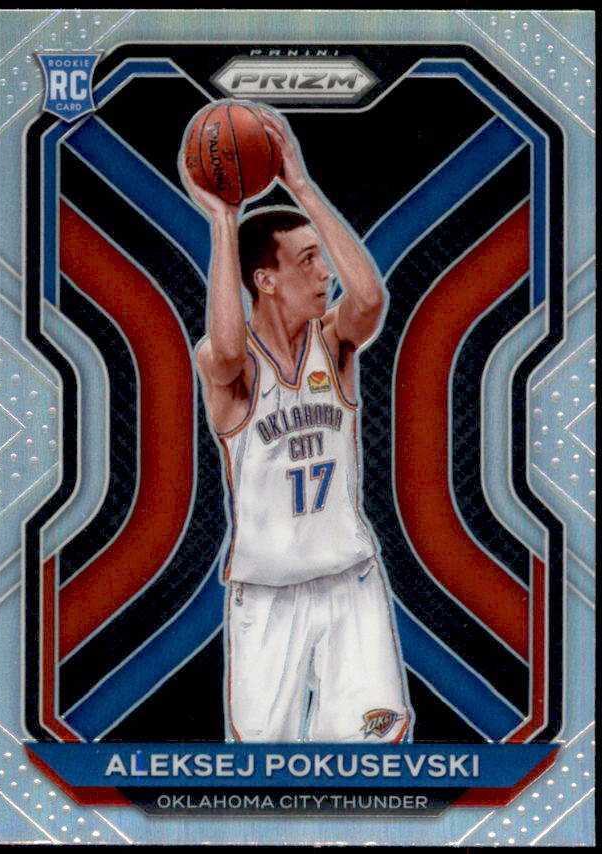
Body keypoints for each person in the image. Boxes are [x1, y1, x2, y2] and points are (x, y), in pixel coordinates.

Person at [180, 108, 412, 743]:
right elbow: (229, 346)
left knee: (370, 761)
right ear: (266, 280)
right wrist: (224, 223)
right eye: (308, 261)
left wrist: (302, 187)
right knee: (260, 768)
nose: (324, 272)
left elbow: (369, 299)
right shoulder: (227, 367)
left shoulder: (333, 345)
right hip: (266, 593)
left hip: (350, 581)